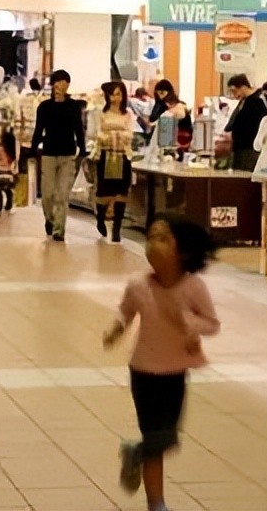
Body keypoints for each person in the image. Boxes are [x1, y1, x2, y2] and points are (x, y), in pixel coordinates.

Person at [103, 214, 221, 511]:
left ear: (183, 250)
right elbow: (125, 312)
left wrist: (191, 324)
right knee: (155, 435)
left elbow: (212, 323)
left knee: (168, 439)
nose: (153, 245)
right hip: (142, 371)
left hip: (175, 371)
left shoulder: (193, 287)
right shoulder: (138, 284)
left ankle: (136, 452)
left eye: (163, 238)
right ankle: (157, 503)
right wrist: (115, 329)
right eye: (150, 237)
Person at [30, 69, 86, 243]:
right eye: (57, 82)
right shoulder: (44, 107)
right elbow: (39, 130)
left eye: (63, 82)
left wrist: (82, 149)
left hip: (68, 154)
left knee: (62, 194)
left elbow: (79, 129)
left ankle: (59, 229)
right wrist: (32, 150)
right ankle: (50, 219)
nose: (60, 85)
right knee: (47, 194)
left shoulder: (73, 107)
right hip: (48, 153)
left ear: (68, 84)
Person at [95, 81, 135, 243]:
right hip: (105, 156)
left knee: (121, 191)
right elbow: (98, 134)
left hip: (123, 156)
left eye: (119, 94)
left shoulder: (128, 114)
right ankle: (100, 217)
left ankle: (117, 227)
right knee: (104, 191)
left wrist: (111, 132)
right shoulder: (101, 114)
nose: (115, 98)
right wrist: (117, 133)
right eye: (112, 94)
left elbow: (130, 135)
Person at [224, 74, 267, 171]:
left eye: (235, 91)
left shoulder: (258, 101)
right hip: (240, 148)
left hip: (249, 148)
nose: (234, 95)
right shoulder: (244, 101)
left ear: (243, 87)